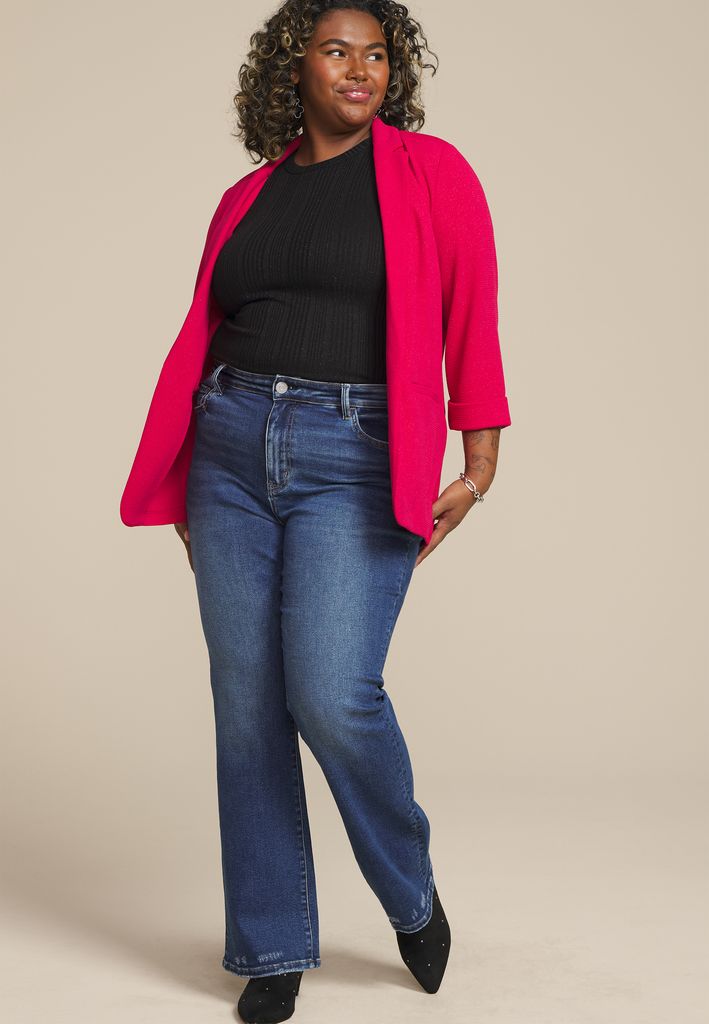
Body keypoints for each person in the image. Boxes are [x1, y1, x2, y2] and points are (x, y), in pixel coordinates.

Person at [119, 2, 511, 1021]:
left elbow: (470, 310)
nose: (360, 69)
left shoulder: (432, 175)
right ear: (294, 68)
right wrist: (188, 473)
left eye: (376, 54)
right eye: (337, 51)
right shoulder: (246, 196)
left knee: (332, 693)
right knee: (247, 703)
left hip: (356, 451)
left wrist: (478, 458)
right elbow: (208, 329)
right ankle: (271, 945)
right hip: (228, 448)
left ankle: (408, 887)